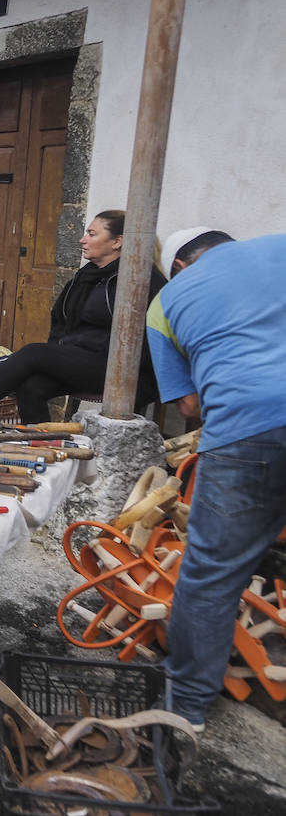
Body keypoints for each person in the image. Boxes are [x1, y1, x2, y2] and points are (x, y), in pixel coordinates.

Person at [145, 228, 286, 730]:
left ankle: (186, 711)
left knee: (211, 575)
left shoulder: (166, 302)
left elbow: (190, 406)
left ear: (180, 265)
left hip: (247, 429)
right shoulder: (279, 245)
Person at [0, 210, 165, 422]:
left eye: (92, 234)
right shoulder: (86, 276)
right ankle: (41, 444)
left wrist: (57, 355)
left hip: (120, 368)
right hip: (82, 357)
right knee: (30, 386)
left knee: (33, 353)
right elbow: (60, 319)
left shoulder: (141, 280)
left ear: (117, 242)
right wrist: (58, 353)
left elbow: (148, 338)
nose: (82, 240)